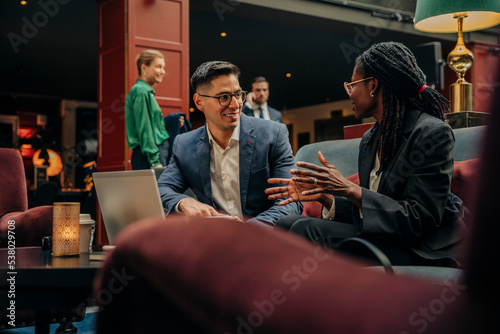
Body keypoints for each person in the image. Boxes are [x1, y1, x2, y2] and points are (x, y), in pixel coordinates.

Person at [266, 42, 467, 266]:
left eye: (352, 84)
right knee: (286, 223)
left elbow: (420, 220)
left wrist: (351, 190)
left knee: (305, 228)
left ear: (373, 85)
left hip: (422, 246)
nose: (349, 92)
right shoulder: (370, 139)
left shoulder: (432, 133)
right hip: (387, 237)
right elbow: (372, 211)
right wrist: (328, 198)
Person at [157, 61, 302, 227]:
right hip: (213, 238)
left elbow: (291, 201)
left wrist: (248, 230)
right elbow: (163, 187)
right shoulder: (184, 144)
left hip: (263, 238)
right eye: (223, 97)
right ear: (199, 102)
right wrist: (182, 201)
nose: (235, 105)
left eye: (238, 94)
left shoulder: (273, 135)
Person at [125, 50, 170, 170]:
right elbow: (144, 127)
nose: (163, 71)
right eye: (158, 66)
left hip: (151, 155)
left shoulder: (144, 91)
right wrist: (155, 161)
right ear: (144, 67)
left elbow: (150, 125)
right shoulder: (141, 91)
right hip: (150, 158)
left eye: (163, 67)